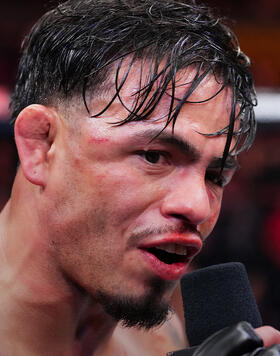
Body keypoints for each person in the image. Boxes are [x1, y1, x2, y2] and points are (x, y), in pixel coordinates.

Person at [1, 0, 280, 354]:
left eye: (214, 176)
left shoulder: (158, 336)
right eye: (154, 156)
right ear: (42, 145)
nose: (197, 207)